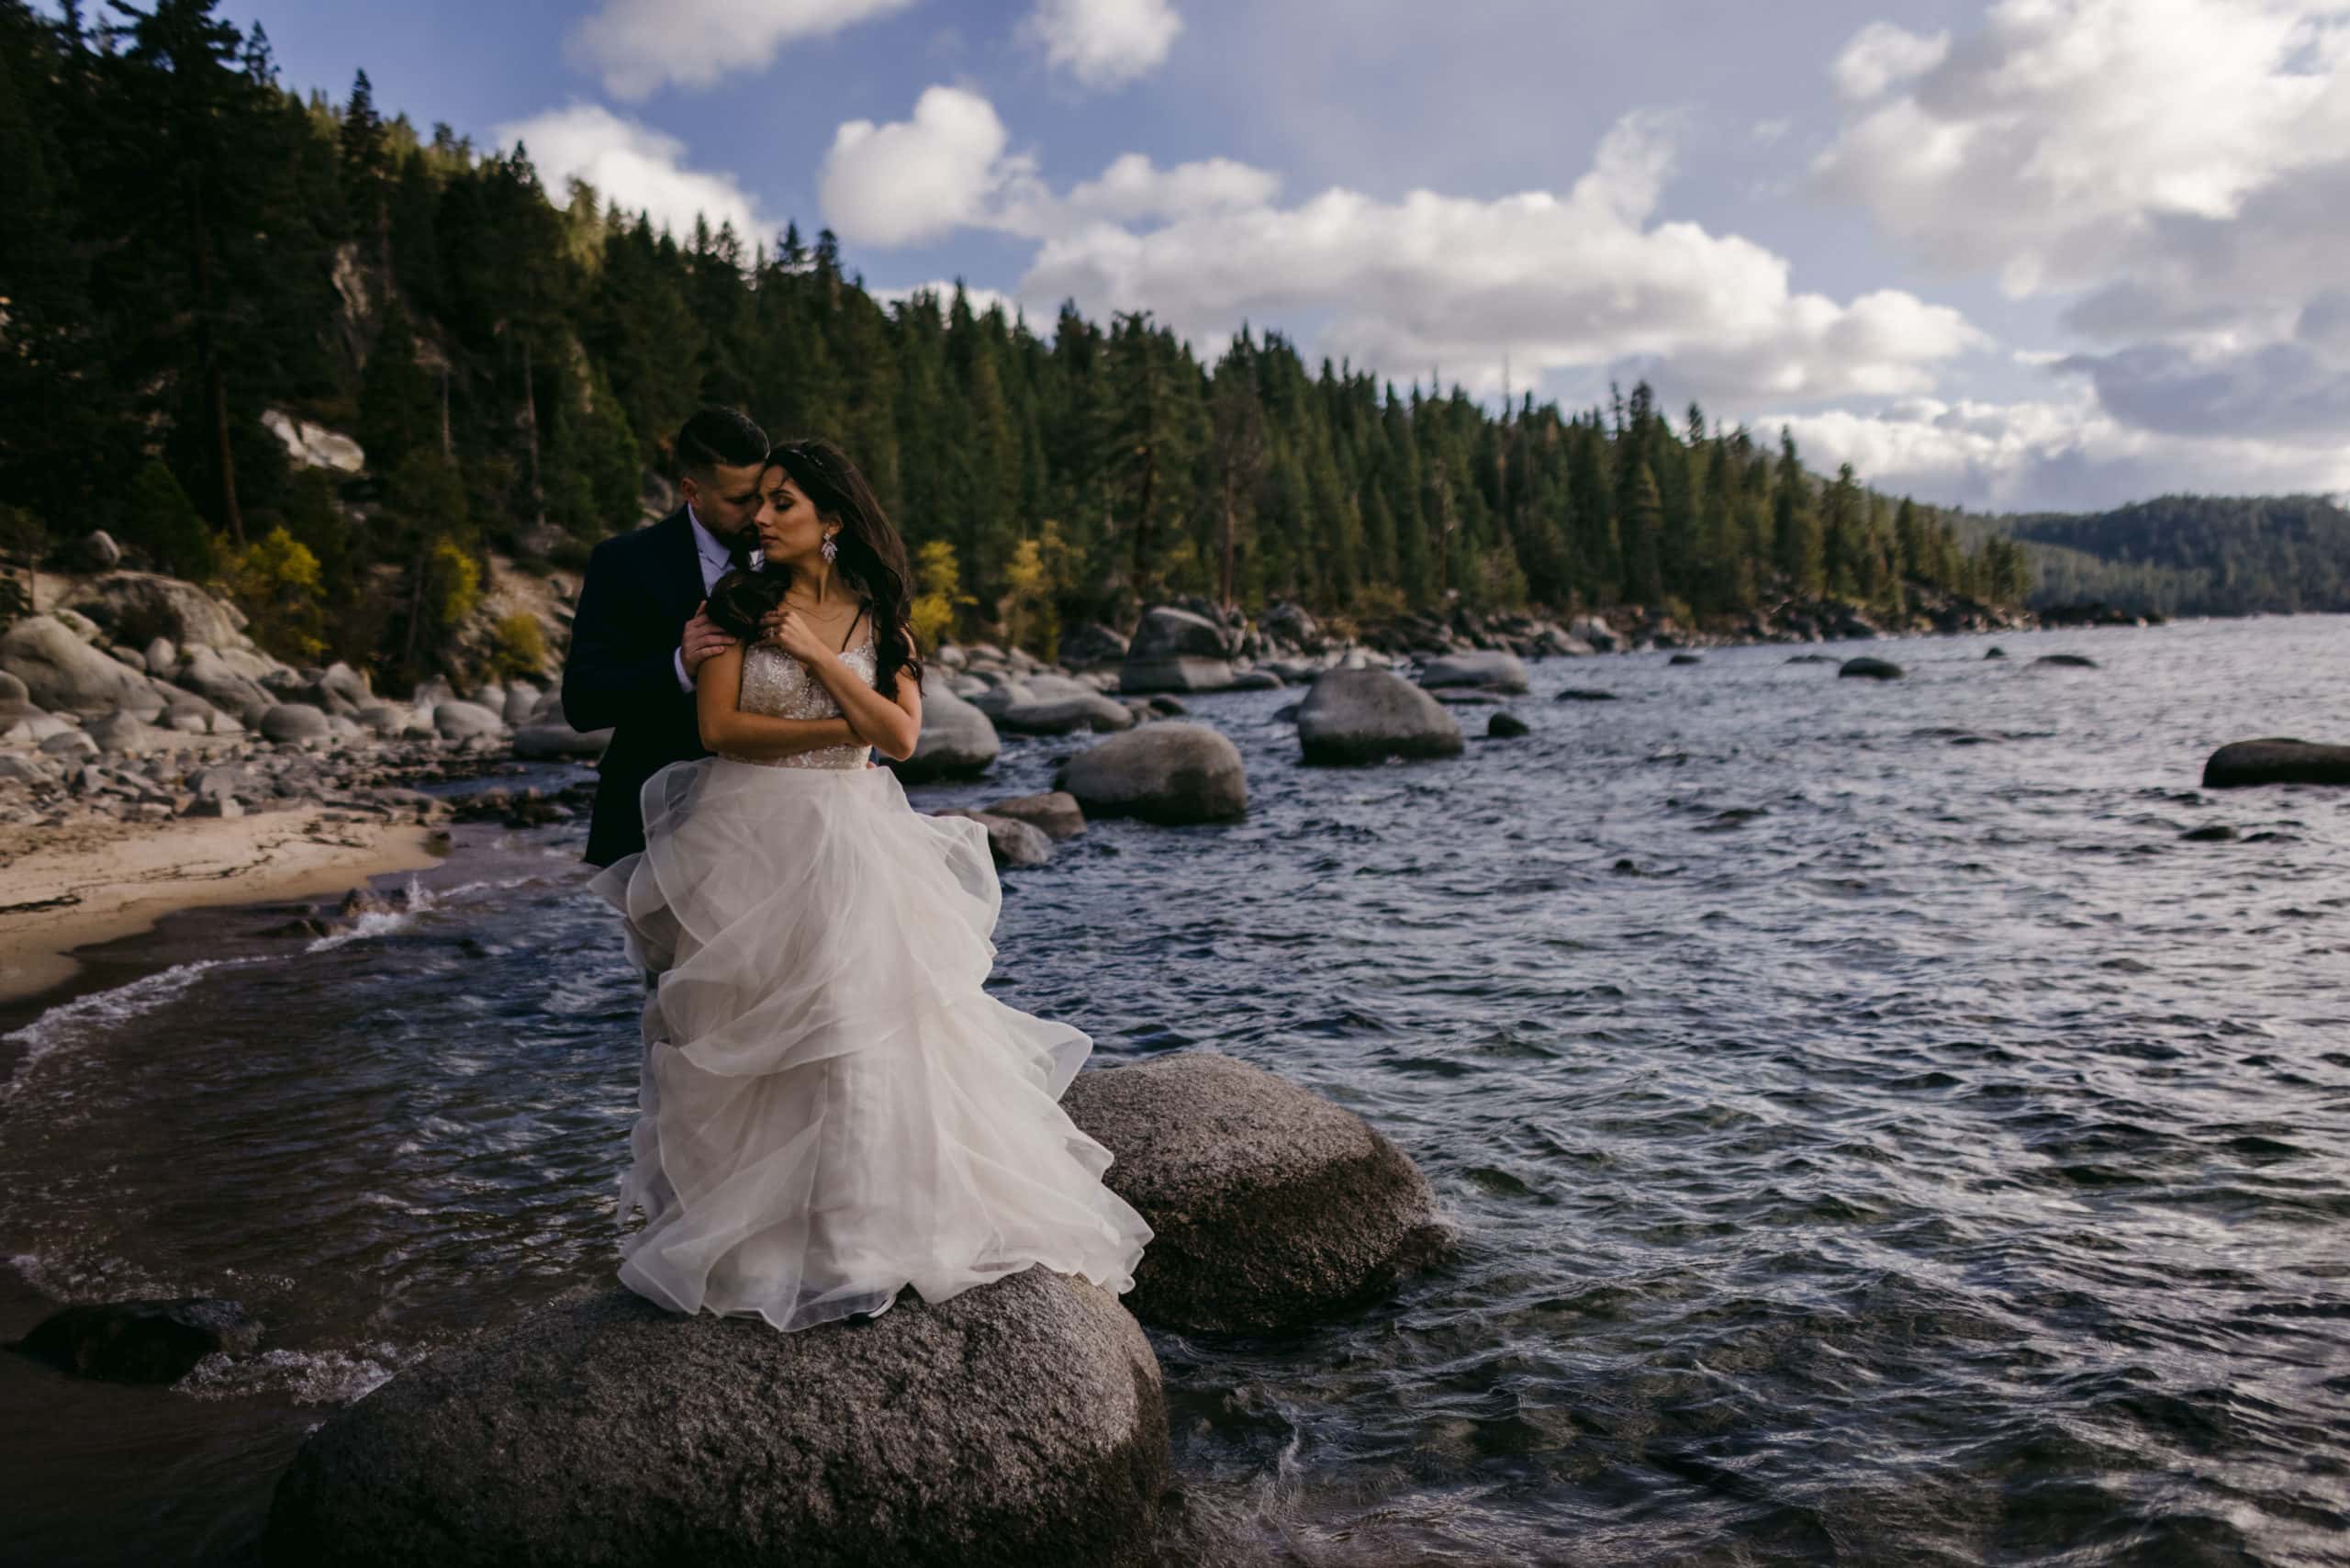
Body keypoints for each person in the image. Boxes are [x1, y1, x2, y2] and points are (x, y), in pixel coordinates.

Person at [587, 437, 1151, 1331]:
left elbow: (897, 736)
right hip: (749, 832)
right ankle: (764, 1238)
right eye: (759, 501)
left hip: (857, 831)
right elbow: (722, 725)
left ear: (833, 521)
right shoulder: (734, 602)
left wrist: (813, 658)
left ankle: (864, 1227)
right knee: (754, 1027)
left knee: (864, 1021)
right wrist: (831, 736)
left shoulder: (881, 613)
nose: (759, 519)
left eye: (782, 505)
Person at [562, 407, 774, 869]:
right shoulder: (624, 563)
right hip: (657, 825)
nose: (759, 515)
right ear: (691, 491)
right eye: (741, 501)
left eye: (765, 496)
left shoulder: (793, 555)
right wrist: (678, 666)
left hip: (776, 823)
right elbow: (582, 702)